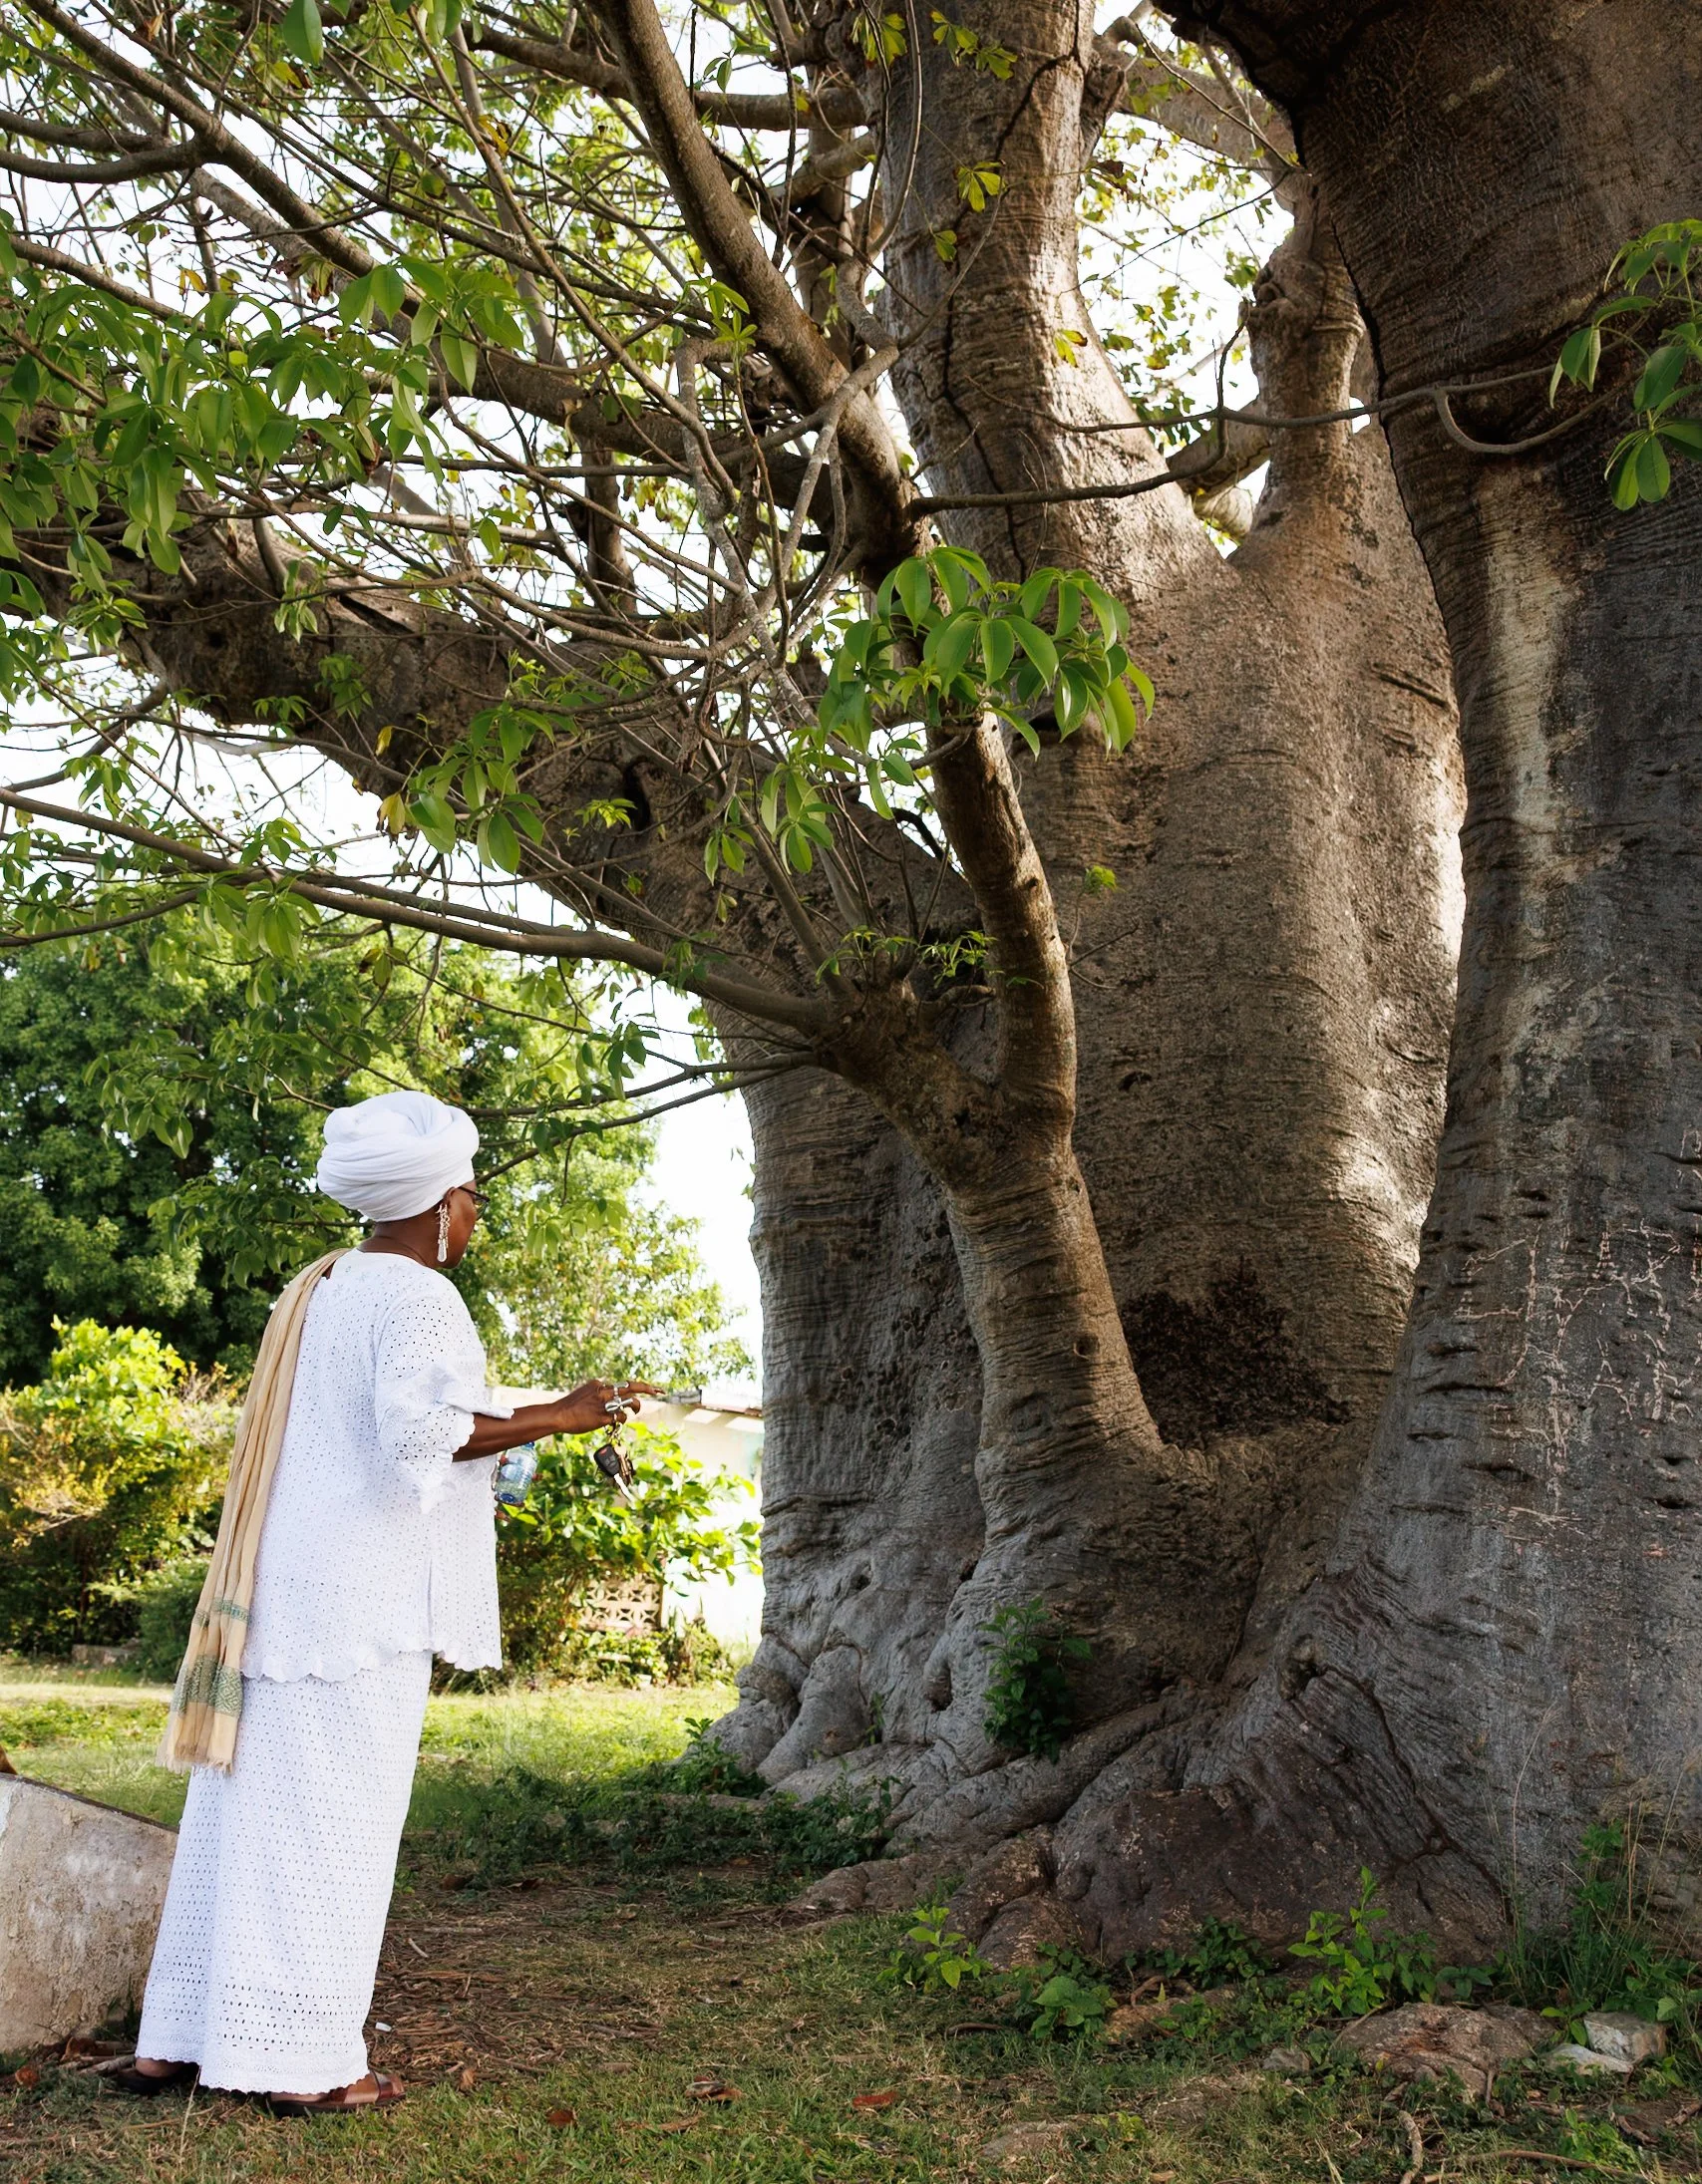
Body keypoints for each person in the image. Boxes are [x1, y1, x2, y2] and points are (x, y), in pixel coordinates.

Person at [116, 1089, 650, 2114]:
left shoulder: (321, 1287)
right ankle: (306, 2061)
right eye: (471, 1194)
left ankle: (176, 2039)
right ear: (437, 1204)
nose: (476, 1212)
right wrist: (568, 1415)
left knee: (242, 1817)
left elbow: (399, 1415)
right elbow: (422, 1434)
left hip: (286, 1589)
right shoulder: (415, 1295)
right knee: (333, 1832)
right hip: (358, 1610)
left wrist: (536, 1414)